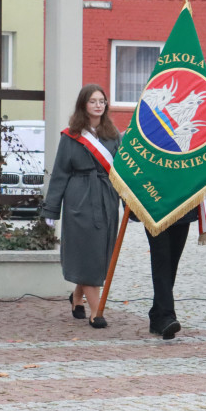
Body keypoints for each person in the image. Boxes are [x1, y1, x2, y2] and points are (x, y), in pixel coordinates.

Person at [41, 84, 122, 329]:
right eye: (93, 101)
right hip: (79, 198)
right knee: (86, 251)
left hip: (107, 197)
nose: (98, 105)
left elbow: (123, 171)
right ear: (83, 105)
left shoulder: (113, 134)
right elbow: (60, 174)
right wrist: (51, 209)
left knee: (98, 253)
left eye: (102, 101)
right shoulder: (71, 136)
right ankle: (96, 312)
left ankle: (77, 298)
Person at [145, 207, 198, 339]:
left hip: (182, 206)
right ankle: (166, 315)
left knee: (172, 262)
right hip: (154, 207)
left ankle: (157, 315)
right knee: (161, 259)